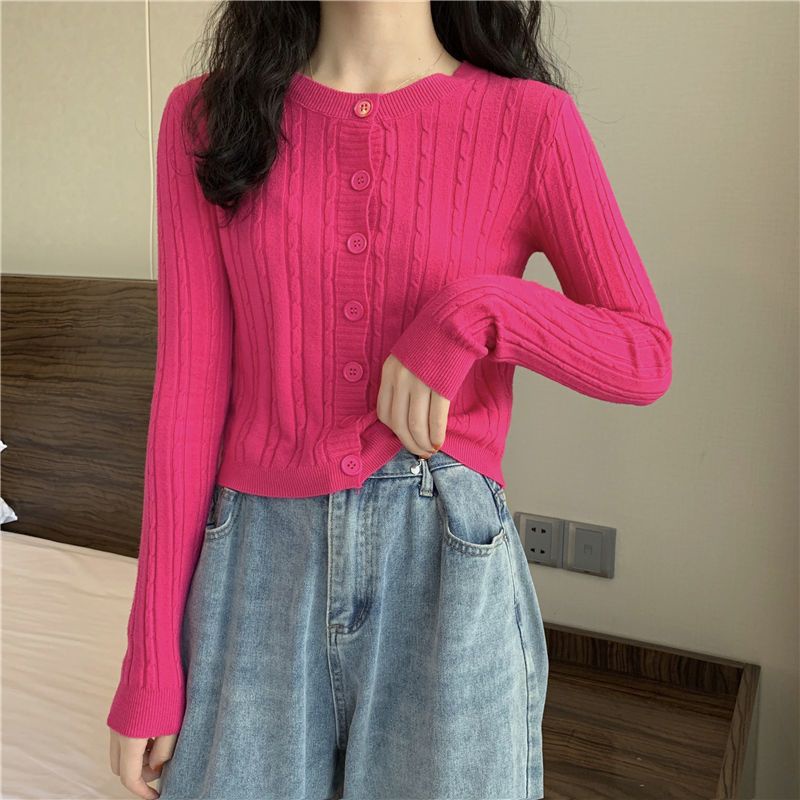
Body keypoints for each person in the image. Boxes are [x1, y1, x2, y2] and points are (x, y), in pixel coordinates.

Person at [107, 1, 673, 798]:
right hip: (256, 569)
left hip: (446, 566)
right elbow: (187, 401)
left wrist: (478, 314)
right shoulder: (206, 119)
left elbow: (643, 355)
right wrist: (150, 662)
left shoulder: (532, 121)